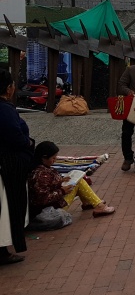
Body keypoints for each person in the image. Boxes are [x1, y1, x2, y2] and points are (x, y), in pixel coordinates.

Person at [28, 142, 115, 224]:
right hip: (50, 210)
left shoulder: (44, 169)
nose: (55, 160)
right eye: (53, 158)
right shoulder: (40, 174)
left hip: (52, 204)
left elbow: (50, 184)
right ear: (43, 158)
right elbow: (43, 199)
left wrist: (61, 180)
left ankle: (89, 202)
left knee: (77, 181)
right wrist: (62, 191)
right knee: (79, 183)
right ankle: (99, 206)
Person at [0, 69, 36, 265]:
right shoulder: (5, 110)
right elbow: (15, 137)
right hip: (8, 167)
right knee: (7, 209)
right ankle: (3, 250)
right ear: (8, 88)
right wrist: (28, 144)